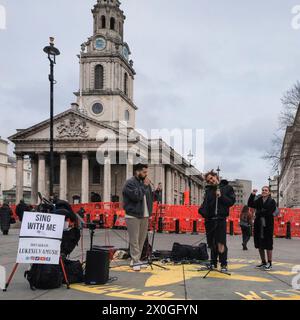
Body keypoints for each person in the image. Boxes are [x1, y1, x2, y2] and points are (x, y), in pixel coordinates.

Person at [199, 170, 236, 272]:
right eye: (208, 180)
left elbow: (231, 202)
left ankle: (223, 264)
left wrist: (221, 196)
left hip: (220, 219)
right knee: (211, 243)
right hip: (209, 220)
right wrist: (202, 211)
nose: (210, 181)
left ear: (216, 176)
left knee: (221, 242)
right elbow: (205, 204)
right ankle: (213, 263)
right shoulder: (208, 190)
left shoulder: (227, 188)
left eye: (211, 178)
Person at [122, 163, 153, 272]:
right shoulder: (129, 183)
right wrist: (144, 186)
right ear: (137, 171)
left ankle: (136, 259)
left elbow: (149, 198)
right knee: (134, 239)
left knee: (141, 239)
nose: (146, 174)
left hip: (144, 215)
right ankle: (135, 261)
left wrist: (150, 213)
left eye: (146, 172)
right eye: (144, 172)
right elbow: (136, 197)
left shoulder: (145, 183)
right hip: (132, 215)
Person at [248, 187, 276, 271]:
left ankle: (269, 263)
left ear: (269, 192)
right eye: (263, 190)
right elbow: (250, 204)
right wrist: (252, 195)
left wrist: (259, 212)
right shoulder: (259, 200)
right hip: (258, 225)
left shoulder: (272, 201)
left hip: (267, 225)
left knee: (268, 244)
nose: (264, 191)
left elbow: (269, 212)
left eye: (266, 190)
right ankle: (263, 262)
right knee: (259, 243)